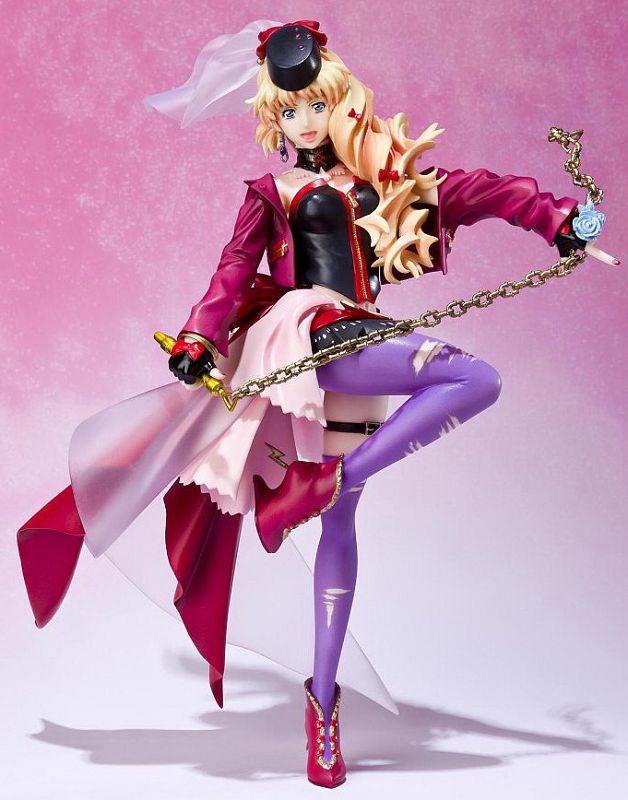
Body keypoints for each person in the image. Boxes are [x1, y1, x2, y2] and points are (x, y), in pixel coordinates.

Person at [18, 19, 600, 789]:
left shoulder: (383, 181)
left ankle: (322, 704)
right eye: (287, 111)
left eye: (314, 105)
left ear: (340, 100)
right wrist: (198, 338)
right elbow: (232, 269)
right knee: (474, 378)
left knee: (341, 523)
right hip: (307, 340)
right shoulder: (275, 193)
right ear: (274, 117)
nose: (302, 121)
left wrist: (557, 218)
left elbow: (476, 191)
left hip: (359, 347)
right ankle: (330, 486)